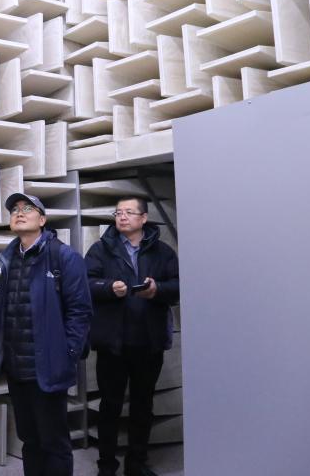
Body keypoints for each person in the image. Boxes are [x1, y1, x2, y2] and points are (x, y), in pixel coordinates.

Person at [0, 193, 92, 476]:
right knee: (30, 440)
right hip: (17, 368)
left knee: (54, 442)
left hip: (47, 367)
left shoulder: (64, 257)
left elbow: (80, 311)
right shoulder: (9, 258)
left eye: (28, 208)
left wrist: (66, 353)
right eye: (14, 209)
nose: (19, 212)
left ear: (43, 220)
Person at [86, 196, 180, 476]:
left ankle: (137, 464)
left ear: (144, 218)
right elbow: (85, 284)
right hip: (113, 344)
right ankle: (107, 466)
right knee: (110, 406)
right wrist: (107, 288)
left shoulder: (163, 252)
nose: (122, 217)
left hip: (149, 343)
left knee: (143, 405)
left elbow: (179, 286)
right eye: (118, 212)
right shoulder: (100, 249)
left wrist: (157, 290)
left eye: (129, 212)